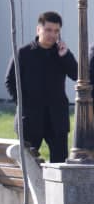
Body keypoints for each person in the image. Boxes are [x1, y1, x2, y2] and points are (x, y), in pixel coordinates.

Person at [5, 10, 79, 163]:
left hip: (57, 119)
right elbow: (10, 81)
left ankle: (56, 188)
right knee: (28, 164)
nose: (53, 34)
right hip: (31, 119)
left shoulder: (61, 54)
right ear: (38, 29)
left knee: (60, 164)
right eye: (48, 30)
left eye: (57, 31)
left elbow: (78, 76)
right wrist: (23, 104)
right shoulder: (23, 53)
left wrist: (66, 56)